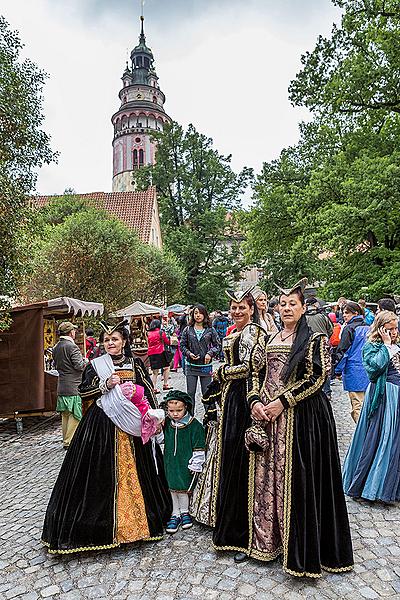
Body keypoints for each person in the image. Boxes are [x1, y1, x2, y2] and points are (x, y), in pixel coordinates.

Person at [245, 279, 353, 577]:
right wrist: (255, 400)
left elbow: (317, 377)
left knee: (299, 478)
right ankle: (267, 542)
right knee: (267, 478)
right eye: (283, 304)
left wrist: (283, 401)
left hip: (301, 418)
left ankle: (301, 548)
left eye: (293, 303)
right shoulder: (268, 338)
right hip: (267, 417)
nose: (287, 308)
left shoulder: (313, 339)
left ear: (303, 307)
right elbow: (256, 373)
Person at [42, 321, 171, 554]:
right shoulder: (95, 365)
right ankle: (103, 526)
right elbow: (84, 391)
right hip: (103, 424)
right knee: (99, 475)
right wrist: (105, 385)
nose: (110, 343)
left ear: (124, 342)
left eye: (115, 339)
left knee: (141, 473)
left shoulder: (135, 364)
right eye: (107, 340)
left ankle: (140, 523)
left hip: (133, 425)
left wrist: (155, 416)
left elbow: (149, 391)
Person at [195, 289, 264, 559]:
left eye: (242, 308)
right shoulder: (233, 333)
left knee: (242, 459)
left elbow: (252, 367)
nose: (236, 312)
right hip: (230, 397)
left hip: (245, 395)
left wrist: (223, 371)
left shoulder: (254, 332)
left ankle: (246, 533)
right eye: (233, 307)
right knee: (229, 457)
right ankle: (229, 522)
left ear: (251, 309)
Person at [343, 311, 400, 503]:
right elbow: (374, 370)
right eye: (389, 329)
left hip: (397, 396)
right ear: (381, 328)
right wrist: (385, 346)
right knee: (380, 439)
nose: (393, 332)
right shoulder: (372, 346)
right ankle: (370, 488)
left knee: (394, 442)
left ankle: (391, 488)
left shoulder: (397, 346)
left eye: (395, 328)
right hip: (383, 397)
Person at [161, 390, 205, 534]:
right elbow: (161, 439)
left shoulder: (194, 425)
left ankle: (185, 512)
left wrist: (196, 462)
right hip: (170, 461)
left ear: (186, 407)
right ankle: (175, 513)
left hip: (185, 462)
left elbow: (199, 446)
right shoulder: (167, 423)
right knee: (172, 487)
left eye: (178, 410)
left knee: (184, 487)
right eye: (171, 411)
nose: (175, 414)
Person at [334, 301, 370, 423]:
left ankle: (363, 436)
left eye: (346, 313)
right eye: (343, 312)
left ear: (355, 313)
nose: (344, 315)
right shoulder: (369, 327)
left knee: (357, 405)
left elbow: (343, 352)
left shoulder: (349, 328)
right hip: (368, 370)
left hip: (354, 370)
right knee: (367, 405)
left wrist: (337, 370)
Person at [52, 322, 86, 448]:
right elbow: (79, 366)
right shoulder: (72, 347)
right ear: (71, 332)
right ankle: (69, 441)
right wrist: (86, 362)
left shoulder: (56, 347)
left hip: (62, 385)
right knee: (74, 415)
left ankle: (66, 439)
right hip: (73, 385)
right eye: (74, 331)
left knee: (65, 416)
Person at [180, 304, 220, 407]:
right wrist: (189, 354)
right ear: (192, 315)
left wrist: (210, 353)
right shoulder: (188, 329)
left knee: (207, 393)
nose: (198, 315)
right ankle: (190, 418)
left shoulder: (210, 330)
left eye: (200, 313)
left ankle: (210, 418)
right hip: (191, 365)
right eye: (196, 313)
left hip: (205, 366)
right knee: (190, 393)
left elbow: (218, 345)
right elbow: (182, 346)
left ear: (205, 315)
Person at [147, 319, 172, 393]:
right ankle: (165, 384)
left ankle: (153, 388)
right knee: (166, 368)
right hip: (160, 352)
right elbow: (167, 342)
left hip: (151, 353)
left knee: (155, 372)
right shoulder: (161, 332)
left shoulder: (148, 333)